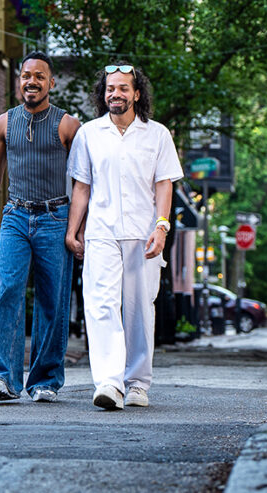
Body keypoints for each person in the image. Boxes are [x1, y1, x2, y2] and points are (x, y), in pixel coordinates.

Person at [65, 64, 183, 410]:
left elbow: (164, 183)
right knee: (100, 305)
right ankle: (108, 382)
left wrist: (161, 226)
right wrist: (73, 230)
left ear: (137, 93)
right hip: (101, 233)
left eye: (122, 88)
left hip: (142, 233)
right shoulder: (89, 133)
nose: (115, 94)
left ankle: (137, 383)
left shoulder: (157, 134)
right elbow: (82, 187)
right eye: (109, 88)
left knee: (138, 310)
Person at [0, 51, 81, 402]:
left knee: (52, 300)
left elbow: (83, 181)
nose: (31, 81)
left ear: (51, 83)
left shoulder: (68, 125)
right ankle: (0, 377)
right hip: (15, 216)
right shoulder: (4, 122)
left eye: (39, 76)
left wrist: (75, 230)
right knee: (8, 290)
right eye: (26, 75)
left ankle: (45, 380)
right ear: (19, 81)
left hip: (54, 217)